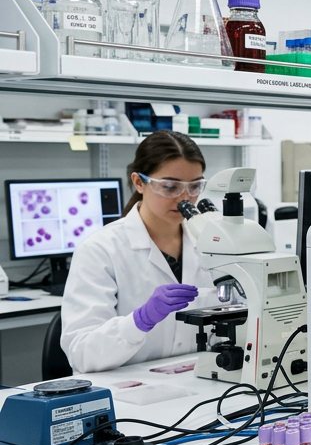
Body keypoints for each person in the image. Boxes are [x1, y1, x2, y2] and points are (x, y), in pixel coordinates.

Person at [61, 130, 217, 373]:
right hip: (125, 393)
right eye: (170, 187)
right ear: (139, 182)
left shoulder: (211, 244)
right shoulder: (100, 250)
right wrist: (139, 321)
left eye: (195, 186)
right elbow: (81, 353)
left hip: (196, 384)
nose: (185, 198)